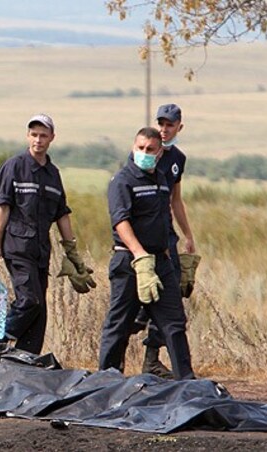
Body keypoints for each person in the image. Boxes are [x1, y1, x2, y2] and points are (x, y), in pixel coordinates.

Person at [0, 114, 95, 361]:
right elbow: (2, 208)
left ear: (51, 138)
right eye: (34, 134)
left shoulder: (53, 175)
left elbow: (62, 215)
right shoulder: (14, 166)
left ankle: (24, 361)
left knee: (40, 312)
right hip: (17, 246)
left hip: (41, 250)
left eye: (43, 135)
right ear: (28, 136)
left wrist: (73, 254)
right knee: (30, 300)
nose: (38, 140)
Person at [100, 127, 195, 380]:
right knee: (119, 324)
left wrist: (169, 252)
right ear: (133, 147)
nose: (144, 153)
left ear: (160, 152)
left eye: (150, 149)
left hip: (161, 262)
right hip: (129, 262)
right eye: (140, 148)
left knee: (174, 324)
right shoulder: (122, 181)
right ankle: (106, 382)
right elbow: (121, 221)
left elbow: (165, 216)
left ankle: (186, 382)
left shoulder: (162, 180)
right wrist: (140, 256)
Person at [130, 104, 199, 378]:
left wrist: (188, 235)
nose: (164, 128)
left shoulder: (177, 159)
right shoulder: (144, 153)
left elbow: (176, 200)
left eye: (169, 124)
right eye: (161, 123)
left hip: (166, 234)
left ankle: (152, 359)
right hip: (143, 236)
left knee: (171, 297)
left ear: (179, 127)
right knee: (136, 301)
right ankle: (111, 369)